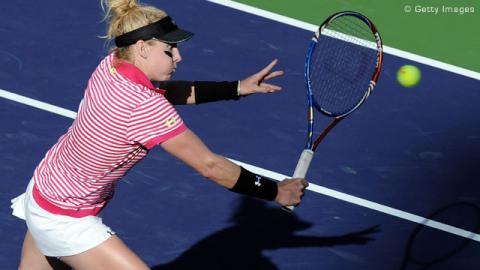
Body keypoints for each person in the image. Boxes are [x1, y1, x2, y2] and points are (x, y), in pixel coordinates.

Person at [11, 0, 309, 269]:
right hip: (65, 217)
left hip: (44, 187)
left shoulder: (111, 66)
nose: (178, 57)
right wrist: (276, 191)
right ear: (142, 48)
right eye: (169, 49)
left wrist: (235, 88)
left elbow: (166, 91)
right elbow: (211, 167)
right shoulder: (143, 106)